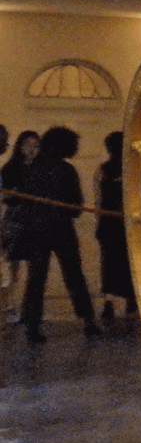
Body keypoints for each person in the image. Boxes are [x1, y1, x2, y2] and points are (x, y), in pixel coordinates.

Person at [20, 126, 99, 343]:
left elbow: (24, 202)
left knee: (36, 279)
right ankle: (89, 321)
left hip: (36, 229)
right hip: (62, 229)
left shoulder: (31, 168)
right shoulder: (66, 170)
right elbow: (75, 206)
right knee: (74, 275)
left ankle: (32, 326)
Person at [1, 129, 40, 321]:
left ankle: (30, 308)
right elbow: (6, 196)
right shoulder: (10, 168)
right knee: (12, 268)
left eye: (35, 146)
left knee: (36, 268)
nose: (31, 150)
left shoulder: (42, 169)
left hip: (36, 222)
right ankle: (9, 305)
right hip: (16, 222)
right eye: (27, 145)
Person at [95, 131, 133, 323]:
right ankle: (131, 299)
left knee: (108, 264)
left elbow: (98, 199)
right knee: (128, 262)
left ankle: (109, 302)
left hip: (108, 223)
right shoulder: (130, 169)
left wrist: (99, 222)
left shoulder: (102, 170)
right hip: (126, 223)